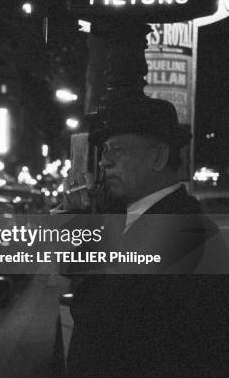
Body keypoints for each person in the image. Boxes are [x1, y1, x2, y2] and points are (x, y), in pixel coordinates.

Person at [61, 97, 229, 378]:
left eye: (117, 150)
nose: (104, 161)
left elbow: (96, 315)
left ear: (159, 157)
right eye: (104, 151)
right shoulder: (143, 218)